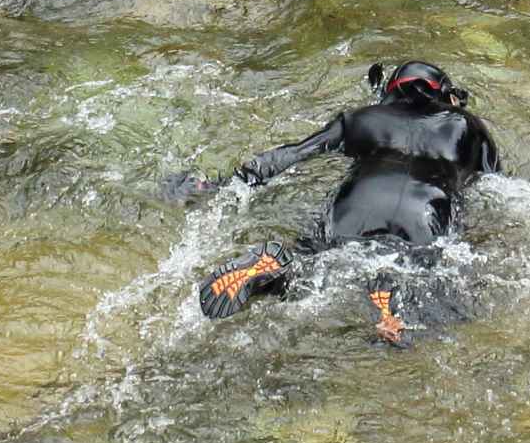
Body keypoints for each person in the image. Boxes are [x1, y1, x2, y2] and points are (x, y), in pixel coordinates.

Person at [198, 60, 503, 342]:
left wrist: (221, 186)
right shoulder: (467, 125)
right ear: (447, 95)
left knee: (315, 260)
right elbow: (498, 189)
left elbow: (291, 154)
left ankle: (278, 270)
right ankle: (388, 313)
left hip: (356, 207)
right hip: (423, 216)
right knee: (426, 283)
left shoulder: (362, 118)